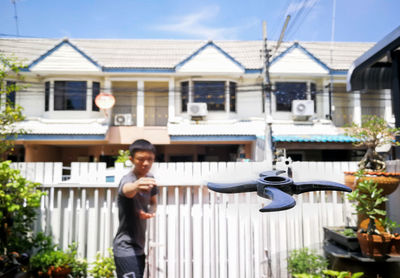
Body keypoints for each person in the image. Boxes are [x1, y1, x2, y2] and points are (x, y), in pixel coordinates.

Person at [113, 139, 158, 278]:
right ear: (131, 159)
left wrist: (150, 211)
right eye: (141, 159)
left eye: (150, 159)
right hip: (125, 247)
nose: (146, 163)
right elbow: (126, 190)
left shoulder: (150, 178)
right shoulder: (128, 179)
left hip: (139, 247)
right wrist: (136, 186)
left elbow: (154, 201)